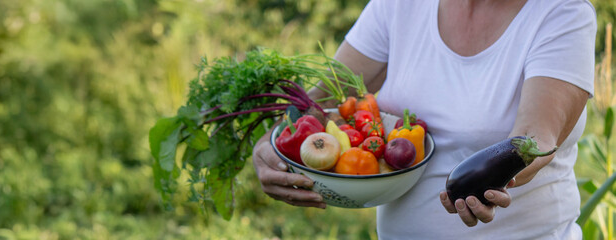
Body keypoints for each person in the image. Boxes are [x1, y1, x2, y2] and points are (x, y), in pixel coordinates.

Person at [252, 0, 597, 238]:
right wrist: (272, 143)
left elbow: (536, 136)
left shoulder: (563, 12)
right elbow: (322, 98)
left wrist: (497, 179)